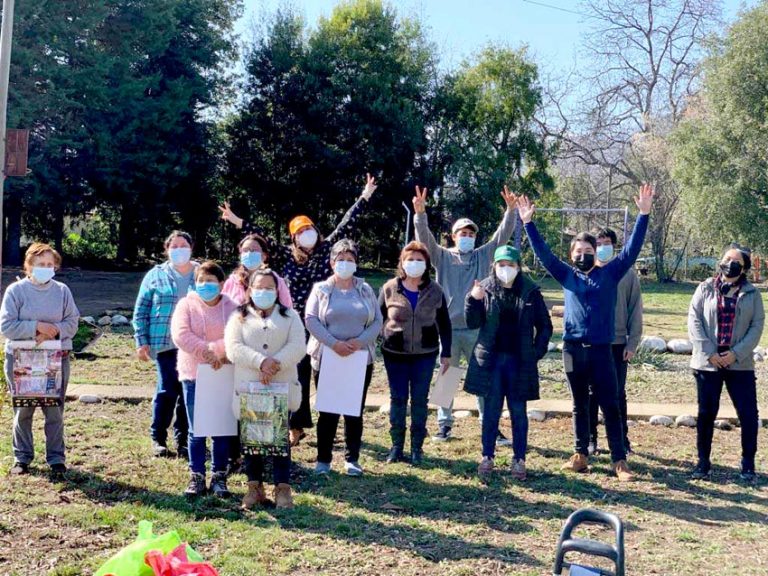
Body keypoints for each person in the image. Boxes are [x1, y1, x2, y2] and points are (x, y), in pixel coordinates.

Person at [219, 174, 378, 446]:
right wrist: (236, 221)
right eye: (301, 231)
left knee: (316, 374)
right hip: (291, 322)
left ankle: (324, 421)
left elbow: (346, 224)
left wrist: (364, 196)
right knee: (295, 374)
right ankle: (297, 425)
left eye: (310, 228)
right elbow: (259, 235)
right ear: (294, 237)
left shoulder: (326, 250)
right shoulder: (284, 255)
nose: (307, 234)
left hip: (321, 322)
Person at [518, 184, 655, 482]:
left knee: (611, 403)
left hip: (603, 350)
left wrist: (643, 214)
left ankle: (619, 461)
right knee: (579, 404)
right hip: (573, 349)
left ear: (596, 254)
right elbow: (544, 255)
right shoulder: (568, 275)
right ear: (571, 255)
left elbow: (631, 250)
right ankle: (580, 454)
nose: (584, 255)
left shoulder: (611, 273)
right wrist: (528, 223)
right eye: (579, 252)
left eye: (589, 251)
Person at [412, 185, 518, 442]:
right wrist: (420, 215)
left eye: (471, 233)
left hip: (477, 328)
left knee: (484, 377)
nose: (467, 236)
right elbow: (425, 240)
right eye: (462, 233)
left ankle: (489, 423)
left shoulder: (483, 256)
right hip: (448, 330)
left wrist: (511, 211)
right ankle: (444, 425)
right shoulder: (443, 257)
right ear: (453, 236)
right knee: (447, 377)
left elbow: (500, 237)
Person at [464, 246, 553, 480]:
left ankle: (519, 459)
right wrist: (473, 300)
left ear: (518, 266)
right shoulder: (484, 288)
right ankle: (487, 456)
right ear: (494, 266)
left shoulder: (531, 291)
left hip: (519, 361)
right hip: (492, 361)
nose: (506, 269)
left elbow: (545, 326)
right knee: (491, 411)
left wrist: (536, 352)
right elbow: (473, 322)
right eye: (501, 264)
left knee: (518, 412)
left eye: (510, 265)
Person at [225, 268, 306, 509]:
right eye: (258, 287)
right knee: (252, 441)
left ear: (277, 290)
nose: (264, 291)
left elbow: (298, 346)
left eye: (269, 287)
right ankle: (254, 487)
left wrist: (275, 363)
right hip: (251, 387)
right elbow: (233, 348)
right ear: (250, 289)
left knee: (280, 441)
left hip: (280, 386)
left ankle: (282, 488)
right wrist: (260, 362)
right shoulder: (238, 316)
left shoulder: (290, 316)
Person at [305, 239, 383, 476]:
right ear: (332, 263)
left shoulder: (366, 289)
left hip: (359, 359)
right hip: (328, 356)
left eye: (350, 260)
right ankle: (323, 460)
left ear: (356, 264)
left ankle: (352, 459)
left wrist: (360, 342)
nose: (345, 264)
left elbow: (378, 321)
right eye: (341, 260)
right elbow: (311, 319)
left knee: (353, 411)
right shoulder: (321, 289)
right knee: (328, 411)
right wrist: (334, 343)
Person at [1, 243, 80, 476]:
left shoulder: (62, 291)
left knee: (54, 411)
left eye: (49, 264)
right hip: (21, 358)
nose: (45, 268)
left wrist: (53, 330)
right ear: (29, 266)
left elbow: (72, 323)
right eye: (40, 264)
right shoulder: (15, 291)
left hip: (55, 357)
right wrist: (36, 328)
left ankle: (56, 458)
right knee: (23, 411)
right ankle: (22, 457)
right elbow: (6, 326)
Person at [688, 244, 764, 482]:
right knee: (706, 413)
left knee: (748, 414)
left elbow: (756, 327)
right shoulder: (704, 288)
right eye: (726, 259)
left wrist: (736, 353)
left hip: (739, 364)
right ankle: (702, 462)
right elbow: (694, 320)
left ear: (743, 268)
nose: (728, 264)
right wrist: (709, 352)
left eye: (735, 262)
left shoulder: (753, 294)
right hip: (707, 362)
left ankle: (748, 463)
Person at [379, 241, 452, 465]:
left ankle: (417, 448)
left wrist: (446, 353)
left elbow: (445, 324)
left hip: (425, 354)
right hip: (395, 354)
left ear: (427, 264)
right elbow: (378, 317)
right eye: (410, 259)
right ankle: (396, 447)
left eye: (419, 260)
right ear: (402, 262)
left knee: (420, 400)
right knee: (398, 399)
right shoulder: (389, 287)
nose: (414, 263)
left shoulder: (435, 290)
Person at [171, 261, 239, 499]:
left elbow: (237, 336)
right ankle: (197, 475)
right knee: (196, 429)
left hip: (224, 370)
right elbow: (180, 335)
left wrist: (217, 352)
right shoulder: (186, 305)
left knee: (221, 428)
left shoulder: (233, 307)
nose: (205, 285)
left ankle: (219, 476)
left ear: (221, 284)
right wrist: (206, 352)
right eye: (201, 281)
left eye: (211, 281)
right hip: (193, 374)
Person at [133, 231, 198, 459]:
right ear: (167, 249)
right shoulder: (155, 275)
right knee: (167, 389)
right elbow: (141, 310)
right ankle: (158, 437)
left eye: (184, 245)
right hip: (164, 343)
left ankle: (184, 439)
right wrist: (141, 340)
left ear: (191, 248)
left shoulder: (202, 273)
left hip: (194, 344)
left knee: (188, 392)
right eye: (175, 245)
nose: (179, 249)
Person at [588, 227, 643, 455]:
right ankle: (591, 440)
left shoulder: (627, 274)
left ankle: (622, 441)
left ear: (614, 245)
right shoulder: (586, 272)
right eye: (598, 243)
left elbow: (635, 310)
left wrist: (632, 343)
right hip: (591, 343)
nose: (602, 247)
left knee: (617, 393)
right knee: (591, 393)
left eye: (606, 242)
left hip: (618, 343)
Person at [222, 233, 292, 307]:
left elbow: (288, 310)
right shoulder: (232, 282)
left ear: (264, 256)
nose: (249, 253)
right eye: (245, 250)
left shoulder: (276, 281)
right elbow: (223, 309)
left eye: (254, 250)